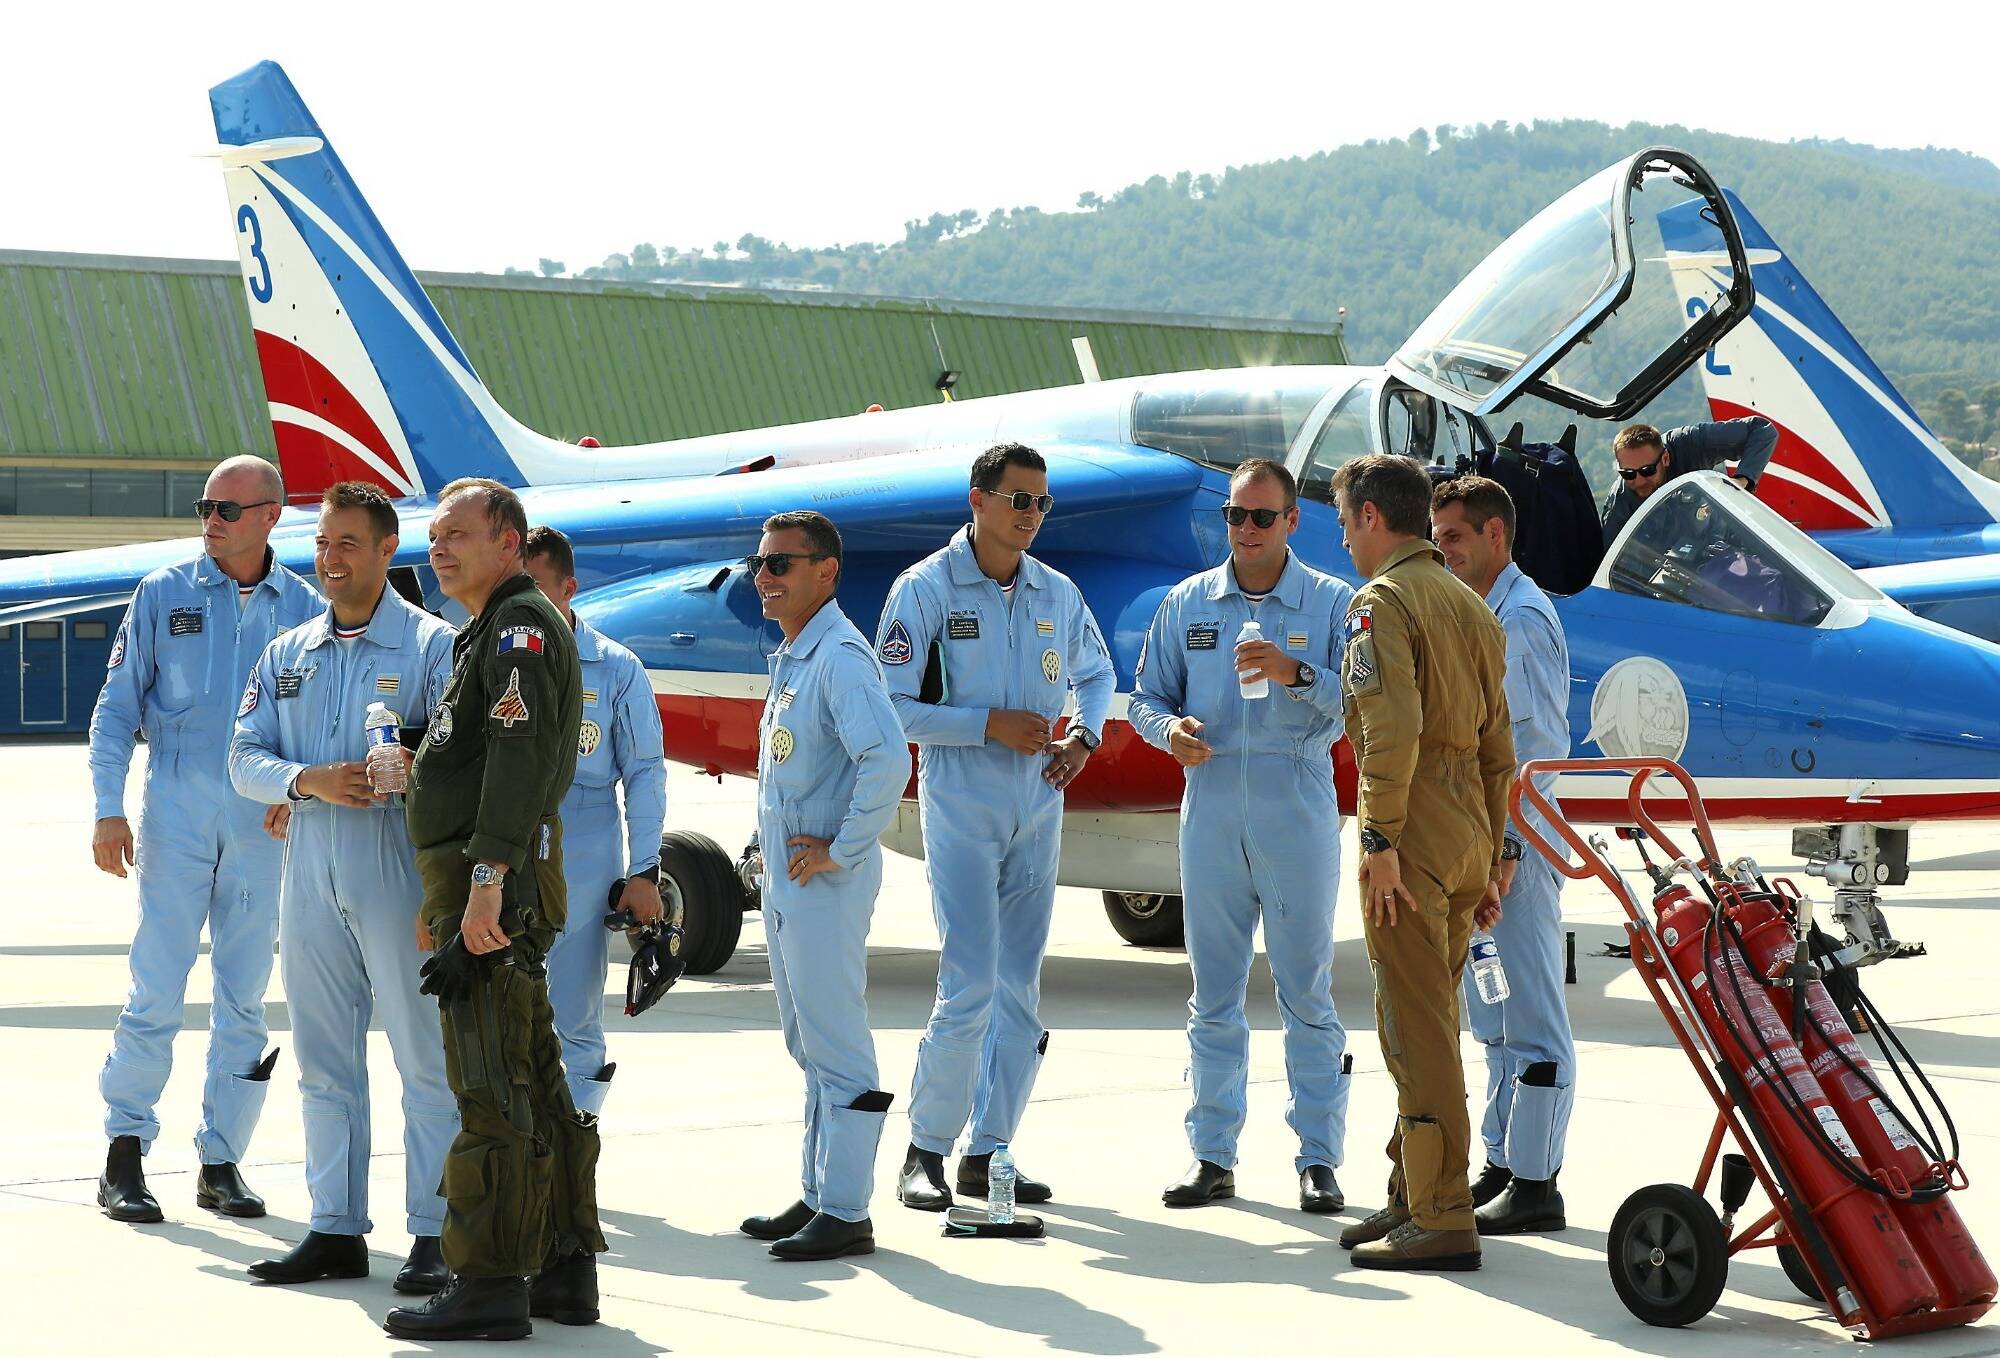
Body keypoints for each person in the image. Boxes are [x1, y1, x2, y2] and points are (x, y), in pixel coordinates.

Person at [385, 478, 603, 1342]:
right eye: (434, 537)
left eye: (459, 536)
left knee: (488, 1083)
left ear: (509, 544)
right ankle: (560, 1266)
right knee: (534, 1075)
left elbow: (515, 761)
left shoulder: (515, 631)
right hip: (491, 875)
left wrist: (480, 886)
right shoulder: (498, 629)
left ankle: (487, 1282)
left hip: (494, 880)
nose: (438, 550)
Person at [229, 481, 459, 1292]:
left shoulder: (433, 648)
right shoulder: (286, 654)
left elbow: (464, 762)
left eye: (348, 544)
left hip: (399, 872)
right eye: (323, 544)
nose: (330, 559)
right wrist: (306, 781)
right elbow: (244, 757)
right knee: (325, 1061)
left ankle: (436, 1232)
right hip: (312, 875)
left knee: (423, 1056)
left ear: (386, 550)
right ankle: (334, 1228)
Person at [874, 442, 1115, 1211]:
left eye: (1042, 503)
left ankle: (991, 1150)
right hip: (963, 801)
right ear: (977, 500)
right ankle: (925, 1149)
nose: (1032, 515)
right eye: (1018, 500)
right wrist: (986, 726)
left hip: (1038, 807)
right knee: (971, 978)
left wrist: (1085, 736)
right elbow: (892, 706)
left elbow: (1099, 674)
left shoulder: (1056, 592)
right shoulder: (927, 590)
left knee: (1021, 988)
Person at [87, 454, 321, 1224]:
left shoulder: (308, 611)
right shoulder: (164, 593)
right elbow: (117, 708)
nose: (210, 522)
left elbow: (324, 723)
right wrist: (107, 809)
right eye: (204, 507)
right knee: (156, 984)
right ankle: (125, 1152)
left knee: (245, 997)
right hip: (177, 818)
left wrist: (302, 792)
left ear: (269, 517)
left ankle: (222, 1159)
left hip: (262, 831)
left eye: (226, 509)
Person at [1128, 459, 1354, 1213]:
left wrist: (1296, 674)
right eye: (1235, 516)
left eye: (1262, 517)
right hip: (1213, 807)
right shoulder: (1189, 602)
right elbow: (1146, 698)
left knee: (1307, 994)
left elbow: (1361, 701)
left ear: (1293, 521)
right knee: (1213, 994)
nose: (1247, 531)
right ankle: (1212, 1155)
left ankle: (1318, 1158)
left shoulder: (1331, 602)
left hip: (1296, 805)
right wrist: (1172, 733)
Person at [1329, 453, 1513, 1272]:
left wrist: (1379, 843)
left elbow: (1388, 734)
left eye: (1343, 521)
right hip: (1468, 828)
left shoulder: (1384, 602)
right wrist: (1496, 852)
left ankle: (1441, 1212)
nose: (1343, 539)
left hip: (1415, 833)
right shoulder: (1472, 607)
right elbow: (1499, 750)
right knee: (1428, 1014)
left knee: (1416, 1027)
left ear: (1372, 517)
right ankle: (1413, 1192)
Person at [735, 511, 908, 1261]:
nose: (764, 576)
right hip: (787, 880)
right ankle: (817, 1193)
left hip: (823, 884)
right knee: (807, 1041)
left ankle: (847, 1210)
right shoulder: (798, 657)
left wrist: (842, 847)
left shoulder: (839, 657)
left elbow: (889, 760)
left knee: (837, 1042)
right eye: (760, 563)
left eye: (782, 564)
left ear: (826, 573)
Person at [1431, 477, 1576, 1235]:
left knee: (1532, 1016)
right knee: (1491, 1015)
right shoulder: (1480, 615)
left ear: (1495, 536)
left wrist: (1508, 849)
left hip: (1514, 846)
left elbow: (1534, 751)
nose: (1442, 550)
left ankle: (1538, 1181)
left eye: (1453, 537)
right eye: (1437, 536)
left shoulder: (1520, 620)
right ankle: (1503, 1160)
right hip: (1483, 845)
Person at [522, 525, 668, 1117]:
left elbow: (645, 773)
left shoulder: (614, 669)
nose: (525, 605)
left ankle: (574, 1150)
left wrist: (645, 869)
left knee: (576, 1009)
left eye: (536, 588)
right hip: (505, 842)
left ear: (569, 588)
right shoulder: (484, 658)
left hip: (584, 840)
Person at [1599, 416, 1777, 547]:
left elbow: (1762, 430)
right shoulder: (1619, 505)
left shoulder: (1690, 443)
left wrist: (1742, 479)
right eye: (1628, 474)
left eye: (1647, 471)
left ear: (1666, 458)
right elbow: (1609, 564)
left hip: (1722, 537)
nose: (1638, 481)